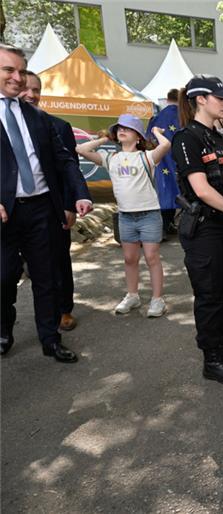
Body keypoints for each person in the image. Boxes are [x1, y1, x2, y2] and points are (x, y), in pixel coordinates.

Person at [1, 43, 93, 362]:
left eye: (21, 71)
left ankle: (50, 339)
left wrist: (80, 192)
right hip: (5, 215)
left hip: (42, 208)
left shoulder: (38, 117)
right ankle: (3, 328)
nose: (17, 78)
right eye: (8, 70)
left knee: (46, 277)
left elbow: (65, 159)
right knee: (4, 277)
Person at [171, 74, 223, 385]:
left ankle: (220, 343)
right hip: (206, 228)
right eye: (220, 97)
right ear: (200, 100)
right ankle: (211, 358)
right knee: (208, 294)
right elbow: (202, 189)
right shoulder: (187, 138)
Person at [76, 115, 170, 317]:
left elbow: (166, 145)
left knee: (152, 257)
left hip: (149, 214)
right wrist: (104, 139)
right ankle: (132, 295)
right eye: (119, 128)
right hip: (126, 216)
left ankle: (157, 299)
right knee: (129, 258)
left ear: (138, 136)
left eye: (128, 128)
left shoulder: (147, 156)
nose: (122, 130)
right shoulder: (111, 158)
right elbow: (81, 150)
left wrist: (154, 133)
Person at [19, 70, 84, 331]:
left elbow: (69, 169)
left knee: (58, 260)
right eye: (26, 89)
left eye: (37, 90)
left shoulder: (58, 126)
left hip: (52, 209)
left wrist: (69, 206)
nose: (31, 95)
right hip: (13, 212)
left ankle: (63, 309)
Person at [146, 88, 182, 236]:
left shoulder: (156, 117)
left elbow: (148, 138)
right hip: (178, 158)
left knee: (164, 189)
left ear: (167, 99)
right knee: (177, 189)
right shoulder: (183, 116)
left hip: (159, 158)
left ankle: (164, 226)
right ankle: (168, 224)